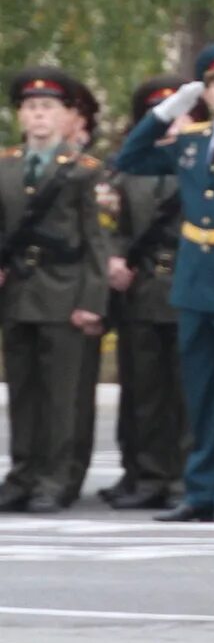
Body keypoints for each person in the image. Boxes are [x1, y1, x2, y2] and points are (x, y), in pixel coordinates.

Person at [112, 43, 214, 522]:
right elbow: (132, 156)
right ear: (206, 92)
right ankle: (200, 488)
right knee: (201, 394)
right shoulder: (191, 142)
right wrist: (167, 110)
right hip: (195, 284)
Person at [1, 67, 112, 512]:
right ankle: (23, 471)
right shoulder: (6, 166)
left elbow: (97, 243)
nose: (38, 116)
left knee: (62, 394)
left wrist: (92, 301)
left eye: (48, 107)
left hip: (65, 292)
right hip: (19, 293)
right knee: (23, 390)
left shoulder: (84, 172)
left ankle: (56, 477)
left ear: (68, 117)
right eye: (30, 108)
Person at [96, 77, 189, 512]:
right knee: (146, 392)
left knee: (189, 392)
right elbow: (111, 227)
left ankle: (188, 476)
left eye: (181, 115)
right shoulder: (127, 172)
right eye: (163, 117)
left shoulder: (204, 161)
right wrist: (114, 258)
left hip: (191, 286)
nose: (173, 126)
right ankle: (151, 476)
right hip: (143, 288)